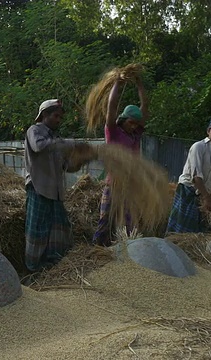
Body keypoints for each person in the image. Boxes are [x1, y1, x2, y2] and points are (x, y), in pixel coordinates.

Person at [24, 99, 93, 272]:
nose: (58, 120)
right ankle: (32, 268)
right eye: (56, 116)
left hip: (55, 192)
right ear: (44, 115)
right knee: (37, 230)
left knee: (58, 229)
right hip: (39, 188)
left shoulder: (56, 139)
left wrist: (84, 158)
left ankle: (52, 266)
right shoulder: (35, 131)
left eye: (60, 117)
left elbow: (67, 167)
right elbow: (39, 147)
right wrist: (71, 144)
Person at [92, 75, 148, 247]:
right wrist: (117, 82)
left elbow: (145, 107)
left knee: (130, 222)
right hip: (114, 183)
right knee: (106, 218)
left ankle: (129, 250)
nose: (133, 126)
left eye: (136, 124)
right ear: (124, 120)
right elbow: (112, 107)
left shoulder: (135, 135)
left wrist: (139, 83)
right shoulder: (113, 133)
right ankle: (97, 249)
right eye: (131, 123)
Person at [166, 114, 211, 234]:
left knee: (200, 229)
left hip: (206, 191)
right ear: (208, 131)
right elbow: (196, 177)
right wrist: (207, 198)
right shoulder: (198, 147)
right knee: (182, 230)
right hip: (189, 190)